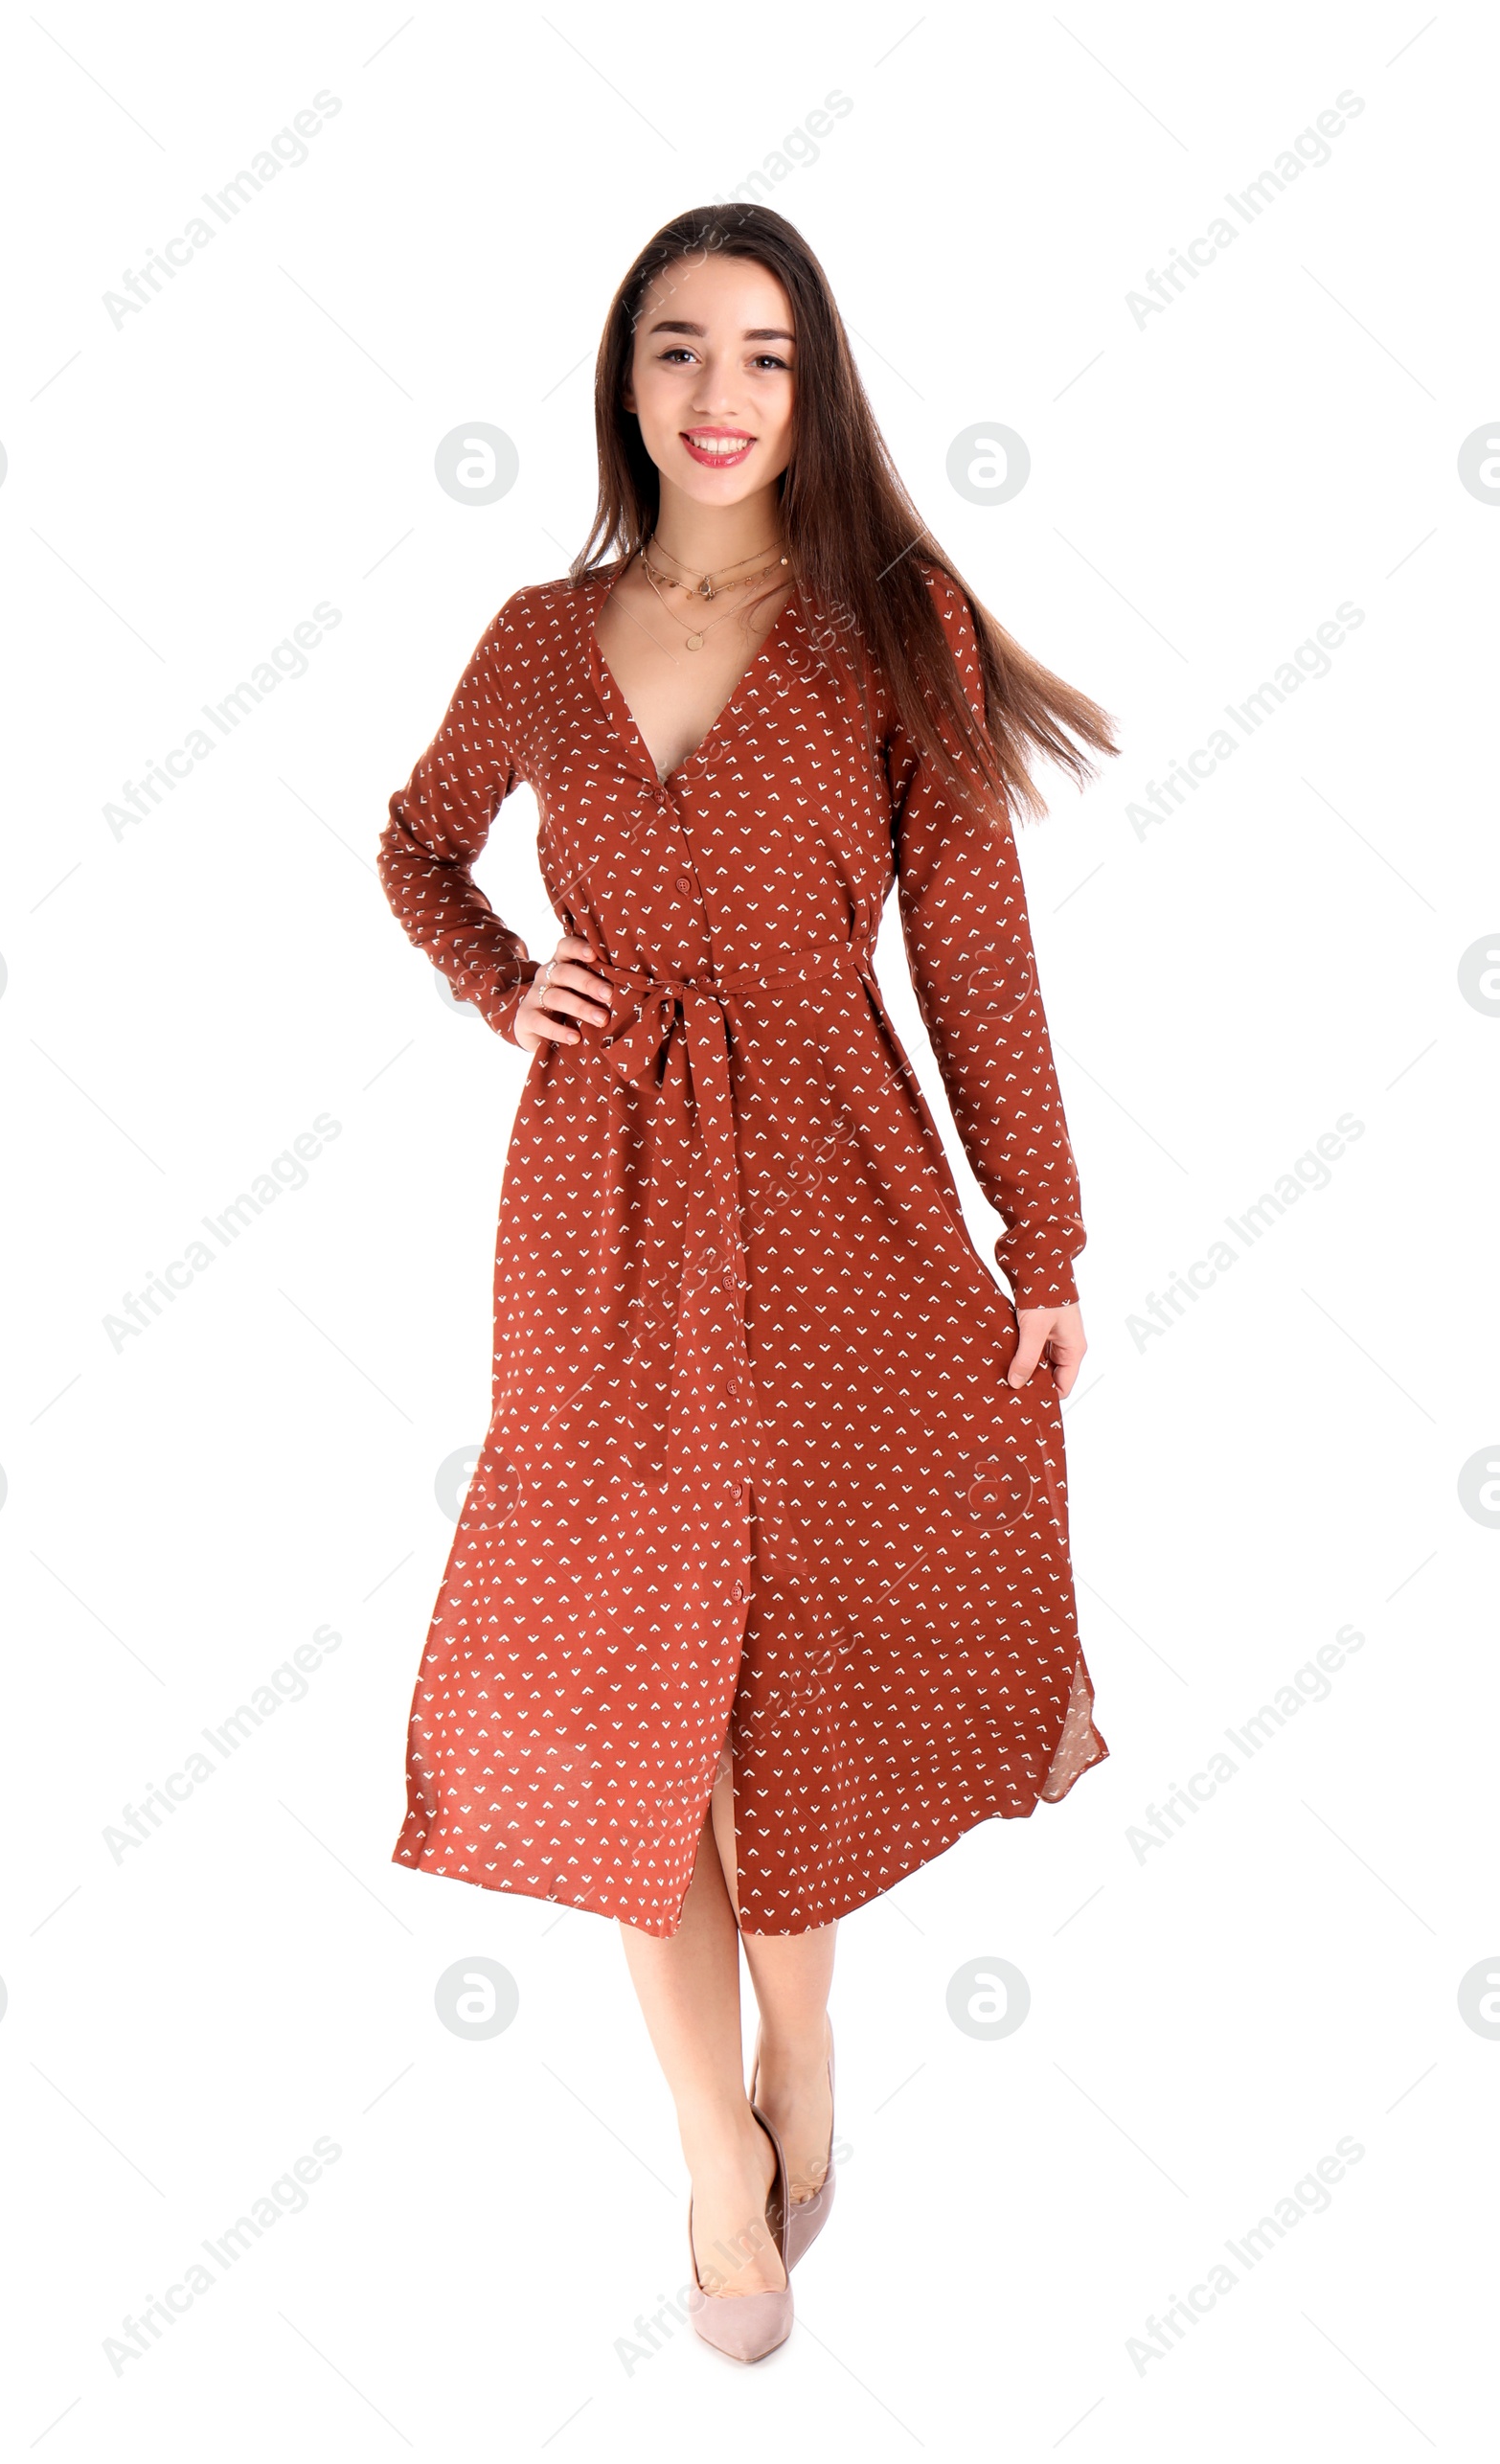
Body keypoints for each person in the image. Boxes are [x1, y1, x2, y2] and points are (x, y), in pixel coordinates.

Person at [376, 202, 1118, 2361]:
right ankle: (714, 2141)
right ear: (625, 375)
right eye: (681, 350)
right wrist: (503, 980)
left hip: (837, 1185)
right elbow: (416, 835)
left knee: (789, 1646)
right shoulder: (539, 630)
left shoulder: (896, 625)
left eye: (765, 357)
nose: (719, 396)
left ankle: (803, 2038)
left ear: (815, 389)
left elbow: (970, 939)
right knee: (625, 1668)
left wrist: (1041, 1228)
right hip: (596, 1199)